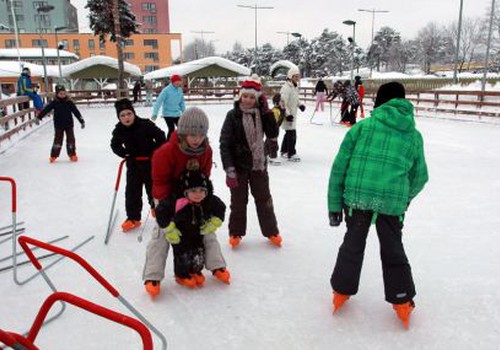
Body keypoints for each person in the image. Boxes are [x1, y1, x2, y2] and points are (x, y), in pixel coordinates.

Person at [327, 82, 429, 328]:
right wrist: (402, 199)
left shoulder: (363, 128)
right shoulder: (413, 136)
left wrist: (334, 205)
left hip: (358, 198)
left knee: (352, 245)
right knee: (393, 249)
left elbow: (339, 168)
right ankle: (402, 299)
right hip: (392, 204)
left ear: (380, 102)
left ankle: (341, 291)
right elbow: (419, 177)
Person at [143, 107, 230, 298]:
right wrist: (166, 208)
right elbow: (159, 182)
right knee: (163, 234)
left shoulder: (206, 150)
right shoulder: (164, 152)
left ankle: (217, 266)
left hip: (194, 194)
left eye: (200, 134)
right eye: (192, 134)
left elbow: (204, 177)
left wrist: (202, 199)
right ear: (182, 132)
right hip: (168, 196)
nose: (196, 138)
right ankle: (152, 276)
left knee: (206, 230)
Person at [219, 75, 282, 248]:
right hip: (238, 166)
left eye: (252, 97)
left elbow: (272, 133)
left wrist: (268, 112)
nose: (247, 100)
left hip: (258, 164)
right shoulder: (232, 116)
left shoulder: (262, 114)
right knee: (238, 202)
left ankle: (271, 231)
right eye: (245, 96)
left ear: (257, 99)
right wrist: (229, 168)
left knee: (264, 199)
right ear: (240, 96)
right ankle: (236, 233)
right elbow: (224, 143)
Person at [155, 169, 226, 289]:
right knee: (182, 254)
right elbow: (161, 211)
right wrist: (169, 228)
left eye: (202, 190)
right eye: (193, 191)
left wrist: (215, 222)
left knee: (198, 251)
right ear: (185, 191)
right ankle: (182, 275)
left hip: (198, 231)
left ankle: (196, 271)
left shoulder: (208, 200)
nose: (198, 194)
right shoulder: (177, 201)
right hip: (180, 233)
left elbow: (221, 208)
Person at [110, 98, 167, 232]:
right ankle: (133, 218)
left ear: (134, 113)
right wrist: (125, 154)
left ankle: (157, 209)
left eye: (129, 114)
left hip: (150, 163)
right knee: (132, 192)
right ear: (119, 118)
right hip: (133, 164)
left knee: (153, 189)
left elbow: (161, 136)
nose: (126, 117)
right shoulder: (119, 130)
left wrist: (155, 153)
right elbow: (114, 145)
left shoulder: (145, 125)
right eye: (122, 115)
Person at [37, 85, 85, 163]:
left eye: (64, 93)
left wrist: (81, 120)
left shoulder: (69, 102)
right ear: (57, 94)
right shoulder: (55, 102)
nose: (63, 95)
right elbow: (46, 109)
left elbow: (76, 111)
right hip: (58, 125)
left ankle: (72, 154)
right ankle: (53, 156)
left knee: (71, 140)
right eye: (60, 94)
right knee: (57, 141)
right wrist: (39, 117)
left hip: (69, 125)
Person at [279, 67, 305, 162]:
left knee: (289, 133)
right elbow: (282, 102)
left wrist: (300, 105)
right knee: (292, 134)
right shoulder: (286, 88)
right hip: (287, 114)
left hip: (292, 113)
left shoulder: (294, 86)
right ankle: (291, 153)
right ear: (290, 76)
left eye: (298, 76)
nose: (297, 78)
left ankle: (284, 151)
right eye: (295, 76)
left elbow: (296, 99)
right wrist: (287, 115)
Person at [151, 74, 185, 141]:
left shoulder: (180, 90)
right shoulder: (166, 90)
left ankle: (180, 142)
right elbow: (158, 102)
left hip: (177, 113)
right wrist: (155, 113)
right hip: (168, 113)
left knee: (181, 128)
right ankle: (168, 143)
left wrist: (184, 112)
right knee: (171, 129)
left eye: (179, 81)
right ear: (172, 82)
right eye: (176, 81)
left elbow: (181, 102)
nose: (178, 83)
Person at [267, 93, 285, 166]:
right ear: (277, 102)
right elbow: (277, 121)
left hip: (275, 128)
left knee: (269, 141)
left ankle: (265, 153)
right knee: (273, 142)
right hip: (272, 128)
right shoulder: (274, 110)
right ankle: (272, 156)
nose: (282, 103)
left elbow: (281, 119)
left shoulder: (279, 110)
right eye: (281, 102)